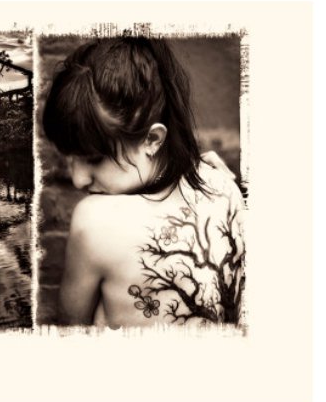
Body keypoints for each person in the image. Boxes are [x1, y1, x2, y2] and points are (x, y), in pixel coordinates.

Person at [42, 37, 245, 329]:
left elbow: (70, 331)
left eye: (95, 159)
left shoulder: (95, 221)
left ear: (153, 139)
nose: (78, 179)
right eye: (71, 158)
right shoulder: (223, 184)